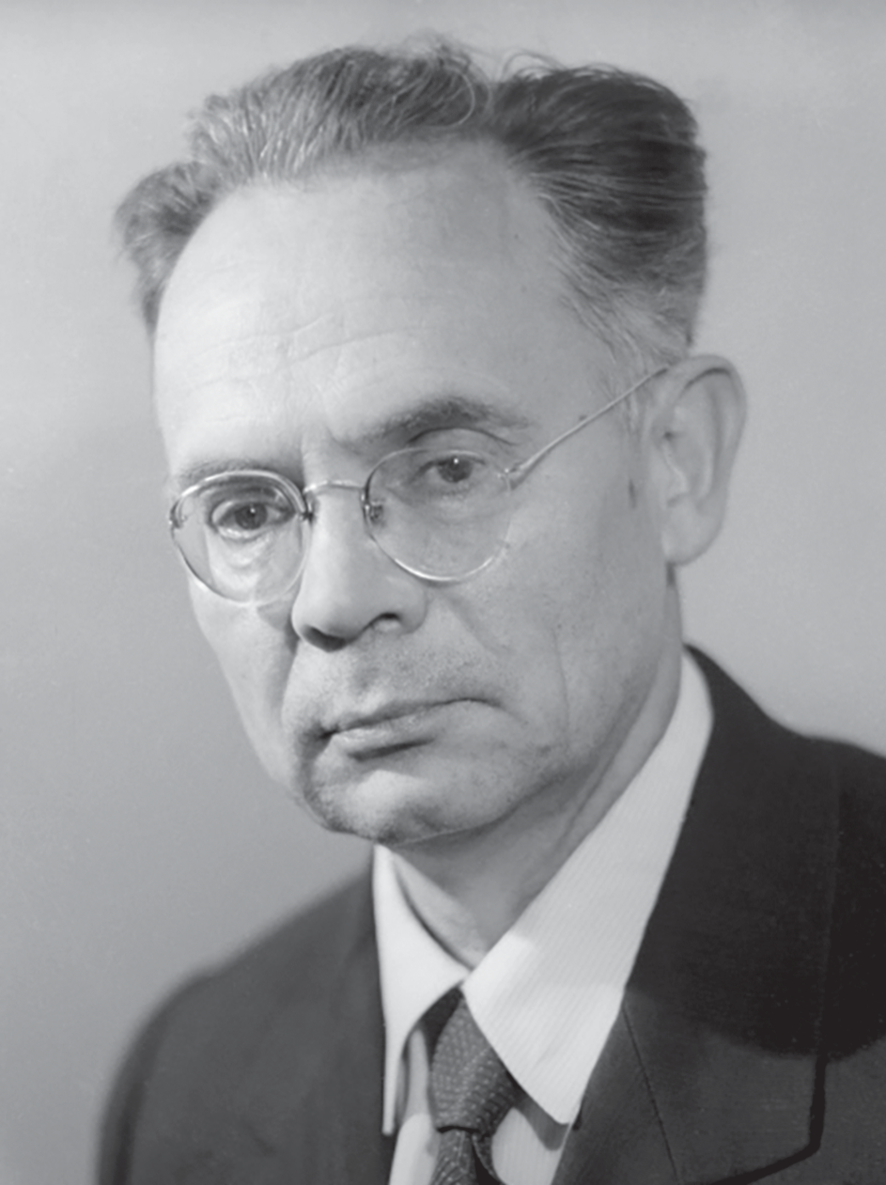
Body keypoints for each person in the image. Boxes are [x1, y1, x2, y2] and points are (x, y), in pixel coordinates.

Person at [99, 40, 886, 1185]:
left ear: (676, 461)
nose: (333, 600)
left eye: (447, 470)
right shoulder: (190, 1080)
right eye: (247, 510)